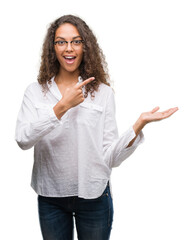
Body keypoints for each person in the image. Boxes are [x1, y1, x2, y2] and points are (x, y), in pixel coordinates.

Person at [15, 14, 178, 240]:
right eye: (61, 41)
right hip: (51, 195)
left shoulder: (103, 93)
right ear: (53, 48)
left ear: (85, 46)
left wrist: (138, 126)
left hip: (94, 194)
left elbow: (111, 157)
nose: (68, 48)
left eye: (76, 41)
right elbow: (23, 139)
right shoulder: (35, 92)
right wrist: (61, 106)